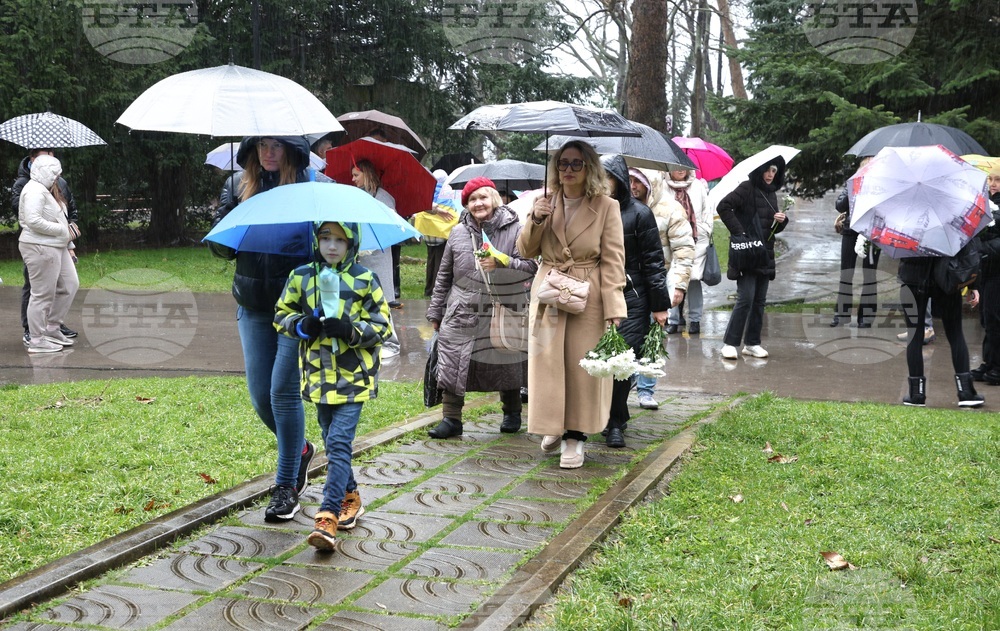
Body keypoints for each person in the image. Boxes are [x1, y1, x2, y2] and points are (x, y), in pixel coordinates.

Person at [209, 136, 327, 522]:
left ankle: (285, 486)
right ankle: (301, 451)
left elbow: (338, 246)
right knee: (260, 395)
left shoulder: (314, 189)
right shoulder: (237, 186)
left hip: (295, 310)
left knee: (282, 392)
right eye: (262, 145)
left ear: (293, 151)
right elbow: (222, 248)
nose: (269, 153)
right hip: (253, 305)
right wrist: (230, 222)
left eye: (277, 145)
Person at [275, 221, 392, 551]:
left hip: (354, 377)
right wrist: (302, 325)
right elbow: (281, 315)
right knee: (330, 438)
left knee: (339, 441)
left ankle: (327, 518)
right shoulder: (302, 276)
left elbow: (382, 326)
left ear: (351, 243)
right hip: (318, 377)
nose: (331, 246)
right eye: (325, 238)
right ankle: (350, 494)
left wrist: (350, 330)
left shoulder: (364, 279)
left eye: (340, 240)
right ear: (316, 240)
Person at [517, 141, 627, 469]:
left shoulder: (607, 207)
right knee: (547, 367)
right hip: (550, 293)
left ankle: (575, 437)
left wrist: (614, 308)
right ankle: (552, 425)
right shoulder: (543, 202)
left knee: (582, 370)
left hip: (588, 294)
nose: (567, 170)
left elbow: (613, 262)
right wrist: (536, 220)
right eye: (562, 163)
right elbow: (525, 251)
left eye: (576, 164)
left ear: (589, 168)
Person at [426, 176, 537, 439]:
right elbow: (444, 275)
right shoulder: (458, 232)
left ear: (494, 199)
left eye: (483, 197)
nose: (478, 203)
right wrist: (436, 311)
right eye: (472, 199)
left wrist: (503, 262)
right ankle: (451, 419)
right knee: (453, 361)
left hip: (503, 307)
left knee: (506, 360)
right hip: (461, 309)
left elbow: (531, 268)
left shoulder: (516, 229)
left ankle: (511, 412)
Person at [601, 156, 669, 448]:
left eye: (607, 178)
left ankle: (616, 421)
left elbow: (654, 262)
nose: (601, 185)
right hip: (596, 294)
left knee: (621, 359)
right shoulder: (588, 211)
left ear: (619, 179)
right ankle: (596, 415)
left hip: (633, 296)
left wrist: (659, 305)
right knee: (596, 359)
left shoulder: (639, 214)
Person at [630, 168, 694, 410]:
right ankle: (628, 379)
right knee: (628, 335)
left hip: (658, 283)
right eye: (630, 180)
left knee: (653, 337)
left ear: (651, 184)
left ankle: (646, 389)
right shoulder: (620, 207)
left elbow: (684, 250)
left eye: (638, 181)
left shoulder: (671, 209)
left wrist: (678, 285)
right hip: (629, 283)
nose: (633, 186)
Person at [717, 159, 789, 360]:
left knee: (759, 301)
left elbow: (770, 226)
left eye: (774, 170)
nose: (770, 174)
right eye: (766, 169)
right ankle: (730, 343)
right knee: (745, 298)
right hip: (748, 253)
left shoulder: (771, 193)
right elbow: (724, 207)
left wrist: (781, 221)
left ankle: (752, 343)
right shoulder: (747, 187)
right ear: (759, 170)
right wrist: (740, 232)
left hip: (765, 254)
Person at [12, 148, 80, 347]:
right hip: (40, 246)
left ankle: (52, 328)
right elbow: (32, 220)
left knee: (70, 284)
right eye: (54, 172)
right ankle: (37, 339)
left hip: (57, 245)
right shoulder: (33, 190)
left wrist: (68, 240)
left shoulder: (48, 188)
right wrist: (63, 230)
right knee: (42, 293)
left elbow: (61, 214)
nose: (57, 176)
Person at [898, 255, 983, 407]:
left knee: (914, 335)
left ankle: (916, 393)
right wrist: (973, 284)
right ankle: (966, 392)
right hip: (946, 275)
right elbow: (968, 251)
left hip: (913, 275)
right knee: (955, 333)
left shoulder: (906, 229)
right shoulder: (951, 230)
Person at [351, 160, 403, 357]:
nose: (353, 179)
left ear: (366, 173)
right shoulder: (358, 196)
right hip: (361, 255)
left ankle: (390, 342)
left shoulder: (383, 197)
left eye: (356, 175)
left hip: (378, 254)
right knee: (365, 298)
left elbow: (392, 223)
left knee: (380, 297)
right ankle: (369, 338)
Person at [831, 157, 881, 328]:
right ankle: (841, 314)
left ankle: (866, 317)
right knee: (846, 272)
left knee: (870, 274)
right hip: (851, 230)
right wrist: (854, 189)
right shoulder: (852, 183)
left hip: (872, 233)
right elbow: (839, 205)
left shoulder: (882, 187)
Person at [663, 167, 712, 335]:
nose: (681, 170)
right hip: (672, 239)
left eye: (684, 166)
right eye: (676, 167)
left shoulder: (697, 186)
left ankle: (695, 320)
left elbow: (707, 211)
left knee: (694, 280)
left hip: (696, 239)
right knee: (673, 279)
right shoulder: (663, 186)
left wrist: (704, 229)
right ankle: (673, 320)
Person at [971, 169, 1000, 384]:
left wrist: (984, 246)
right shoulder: (986, 203)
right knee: (988, 318)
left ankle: (997, 366)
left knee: (995, 317)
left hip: (997, 270)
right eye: (990, 179)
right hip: (988, 270)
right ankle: (989, 361)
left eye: (998, 180)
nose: (993, 184)